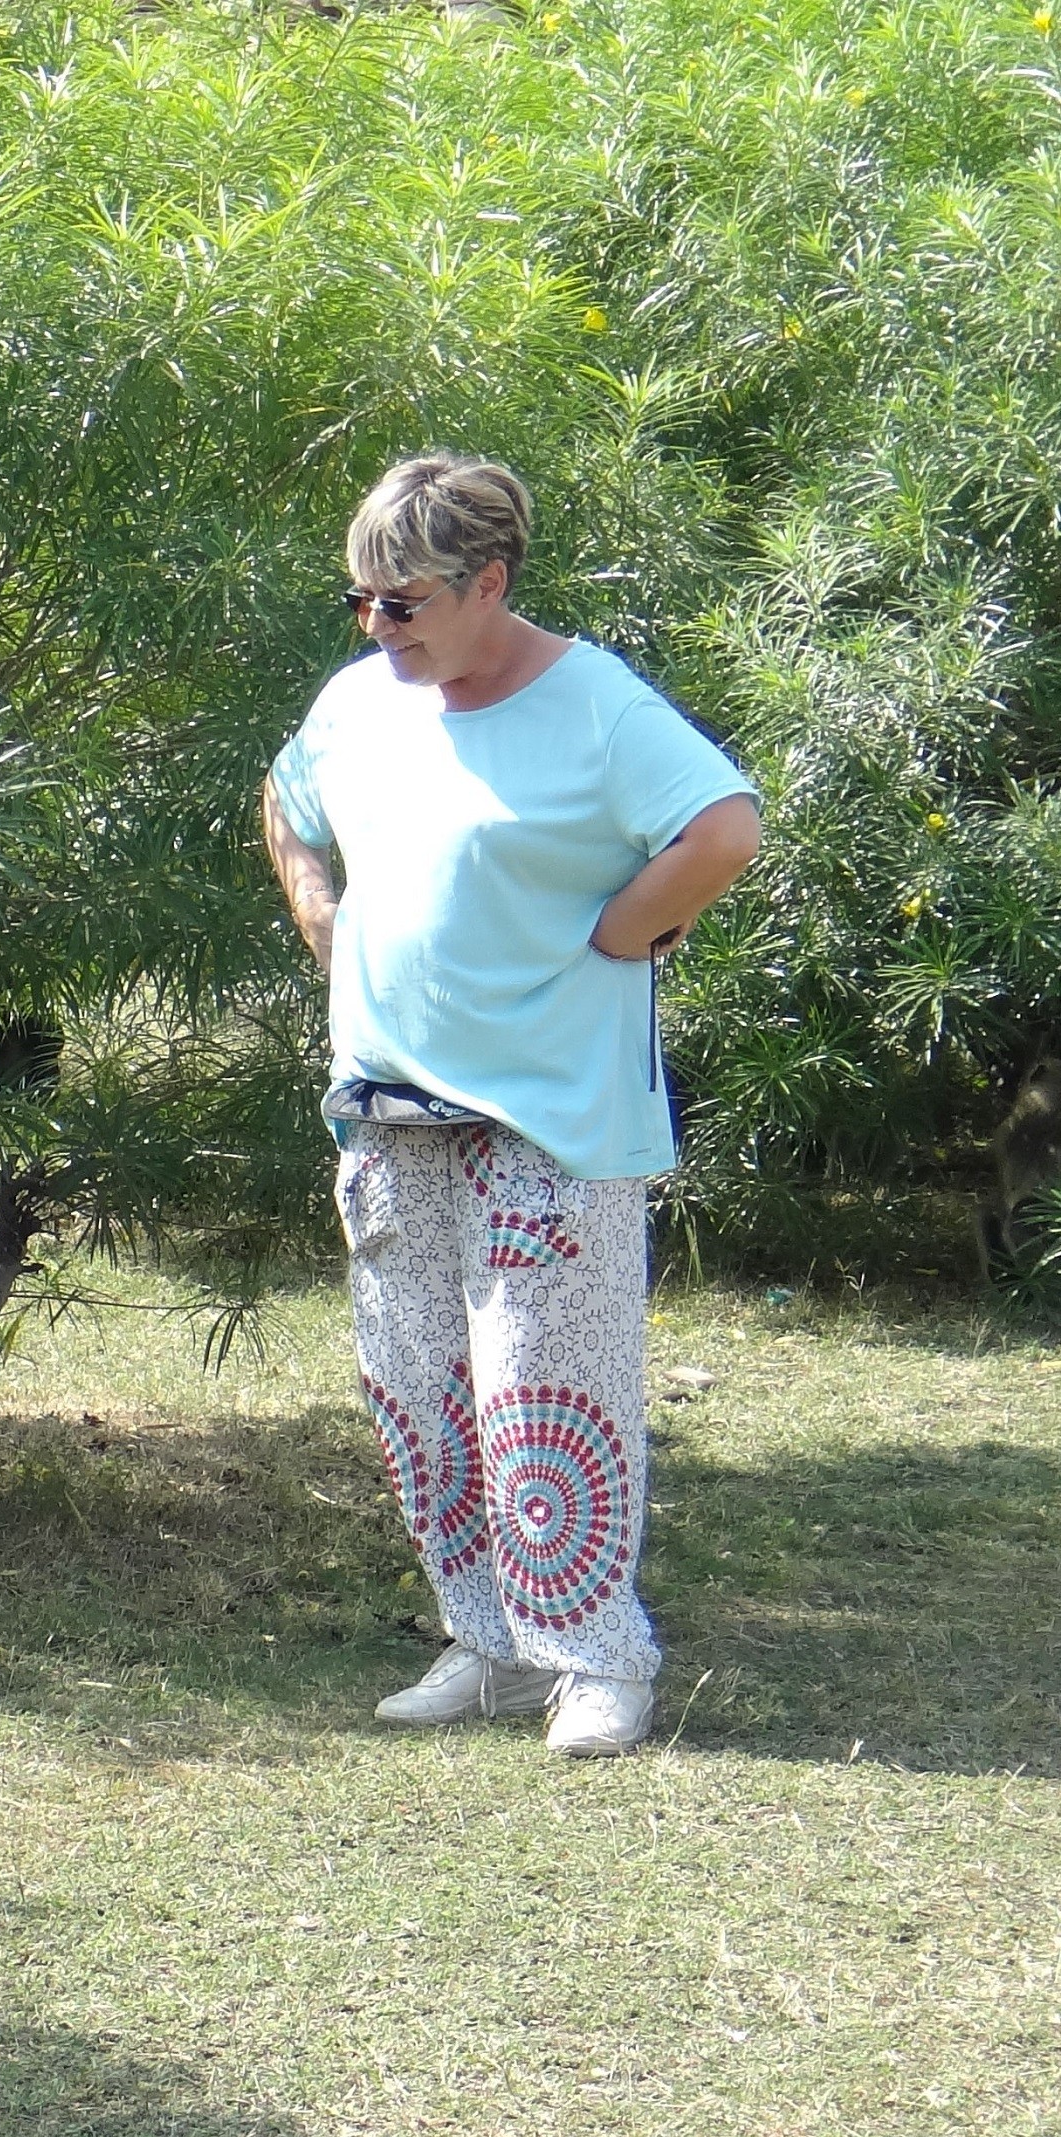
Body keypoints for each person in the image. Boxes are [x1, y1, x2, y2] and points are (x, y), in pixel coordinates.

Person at [263, 454, 762, 1757]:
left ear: (490, 583)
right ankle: (483, 1643)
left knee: (543, 1390)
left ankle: (598, 1665)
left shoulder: (594, 706)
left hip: (549, 1110)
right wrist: (320, 908)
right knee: (421, 1391)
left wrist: (620, 934)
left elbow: (721, 827)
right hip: (387, 1106)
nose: (378, 626)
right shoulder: (362, 702)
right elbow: (289, 802)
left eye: (405, 601)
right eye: (362, 600)